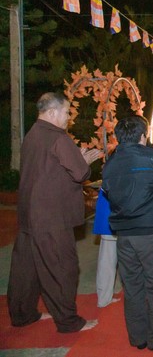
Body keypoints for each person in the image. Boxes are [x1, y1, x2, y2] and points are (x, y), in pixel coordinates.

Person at [7, 92, 101, 333]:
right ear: (52, 112)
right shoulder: (58, 138)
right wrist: (83, 161)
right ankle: (68, 322)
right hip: (51, 217)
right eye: (67, 112)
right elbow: (80, 174)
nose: (68, 117)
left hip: (30, 214)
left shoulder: (32, 134)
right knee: (61, 268)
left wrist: (75, 160)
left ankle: (23, 314)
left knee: (26, 269)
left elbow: (46, 170)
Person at [102, 115, 153, 351]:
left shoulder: (111, 162)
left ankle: (138, 337)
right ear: (143, 136)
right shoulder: (151, 157)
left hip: (124, 234)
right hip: (149, 232)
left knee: (133, 286)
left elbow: (107, 190)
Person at [93, 187, 120, 308]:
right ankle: (104, 298)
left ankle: (104, 297)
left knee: (107, 258)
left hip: (110, 215)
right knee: (108, 259)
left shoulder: (109, 169)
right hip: (115, 215)